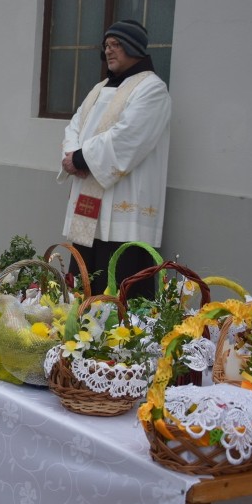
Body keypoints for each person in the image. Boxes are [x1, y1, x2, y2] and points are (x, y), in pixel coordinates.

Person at [58, 20, 172, 299]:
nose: (108, 51)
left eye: (116, 45)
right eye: (106, 46)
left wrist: (83, 158)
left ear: (134, 47)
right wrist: (72, 156)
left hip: (123, 204)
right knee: (84, 282)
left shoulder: (151, 89)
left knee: (120, 287)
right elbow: (75, 125)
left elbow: (129, 137)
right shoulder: (99, 89)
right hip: (89, 199)